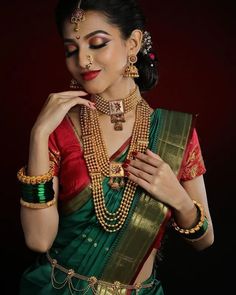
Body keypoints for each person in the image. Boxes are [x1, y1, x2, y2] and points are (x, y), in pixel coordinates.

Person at [18, 0, 214, 294]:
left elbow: (204, 240)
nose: (82, 60)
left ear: (133, 43)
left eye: (97, 44)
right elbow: (38, 240)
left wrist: (180, 201)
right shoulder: (58, 129)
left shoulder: (176, 134)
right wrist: (38, 134)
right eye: (71, 49)